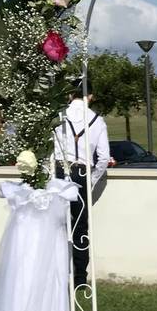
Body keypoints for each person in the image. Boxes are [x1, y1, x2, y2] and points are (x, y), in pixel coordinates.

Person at [53, 81, 110, 287]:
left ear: (70, 95)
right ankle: (80, 278)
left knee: (57, 224)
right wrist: (92, 179)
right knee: (80, 227)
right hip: (82, 173)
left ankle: (57, 272)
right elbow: (104, 157)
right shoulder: (98, 120)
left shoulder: (59, 116)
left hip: (60, 172)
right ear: (91, 96)